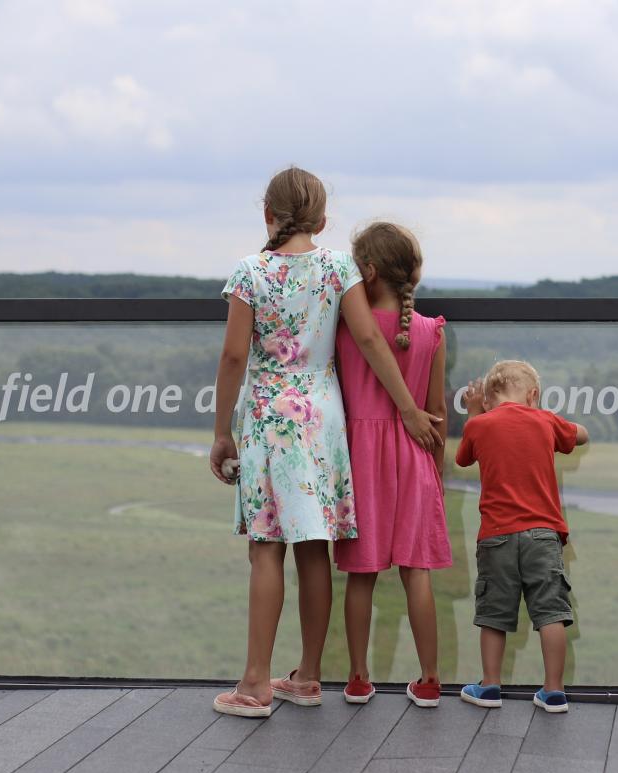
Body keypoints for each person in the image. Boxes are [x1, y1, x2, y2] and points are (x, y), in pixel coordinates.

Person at [209, 167, 443, 718]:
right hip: (323, 421)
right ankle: (309, 676)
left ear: (267, 214)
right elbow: (366, 337)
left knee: (267, 548)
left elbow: (234, 357)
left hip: (269, 420)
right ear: (322, 220)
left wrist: (222, 431)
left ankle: (256, 683)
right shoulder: (339, 267)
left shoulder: (250, 273)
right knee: (315, 547)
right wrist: (408, 410)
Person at [334, 222, 452, 708]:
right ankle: (428, 680)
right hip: (414, 459)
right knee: (416, 573)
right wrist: (437, 475)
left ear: (368, 271)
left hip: (361, 462)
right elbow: (436, 411)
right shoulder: (431, 333)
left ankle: (359, 679)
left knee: (361, 575)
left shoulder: (346, 330)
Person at [456, 360, 588, 713]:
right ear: (533, 395)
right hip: (543, 535)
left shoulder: (480, 425)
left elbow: (464, 457)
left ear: (487, 400)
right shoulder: (544, 419)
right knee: (550, 613)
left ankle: (490, 685)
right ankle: (554, 690)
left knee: (493, 614)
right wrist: (543, 416)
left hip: (496, 536)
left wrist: (473, 413)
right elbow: (582, 434)